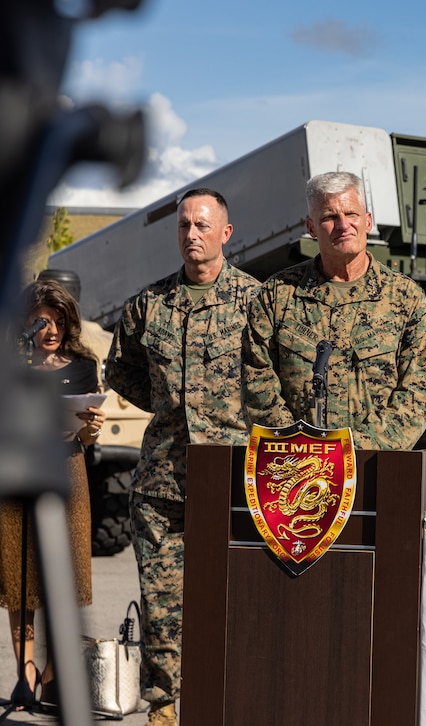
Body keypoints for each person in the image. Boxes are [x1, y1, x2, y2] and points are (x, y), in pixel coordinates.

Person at [105, 188, 258, 726]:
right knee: (164, 604)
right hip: (163, 482)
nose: (191, 234)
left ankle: (231, 698)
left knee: (236, 596)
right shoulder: (150, 305)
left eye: (202, 225)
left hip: (238, 482)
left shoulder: (257, 303)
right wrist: (172, 410)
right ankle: (164, 707)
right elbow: (121, 372)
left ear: (225, 233)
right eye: (184, 226)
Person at [242, 171, 426, 448]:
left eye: (351, 214)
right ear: (311, 228)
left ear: (368, 221)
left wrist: (350, 451)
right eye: (329, 217)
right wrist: (300, 447)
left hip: (376, 468)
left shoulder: (407, 300)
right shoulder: (277, 296)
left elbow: (417, 395)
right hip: (296, 468)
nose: (343, 225)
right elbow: (257, 384)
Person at [0, 279, 105, 707]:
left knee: (66, 576)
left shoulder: (83, 365)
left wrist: (90, 431)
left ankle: (52, 674)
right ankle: (24, 674)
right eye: (43, 319)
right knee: (18, 578)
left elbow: (87, 432)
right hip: (17, 471)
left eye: (60, 320)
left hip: (67, 469)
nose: (52, 329)